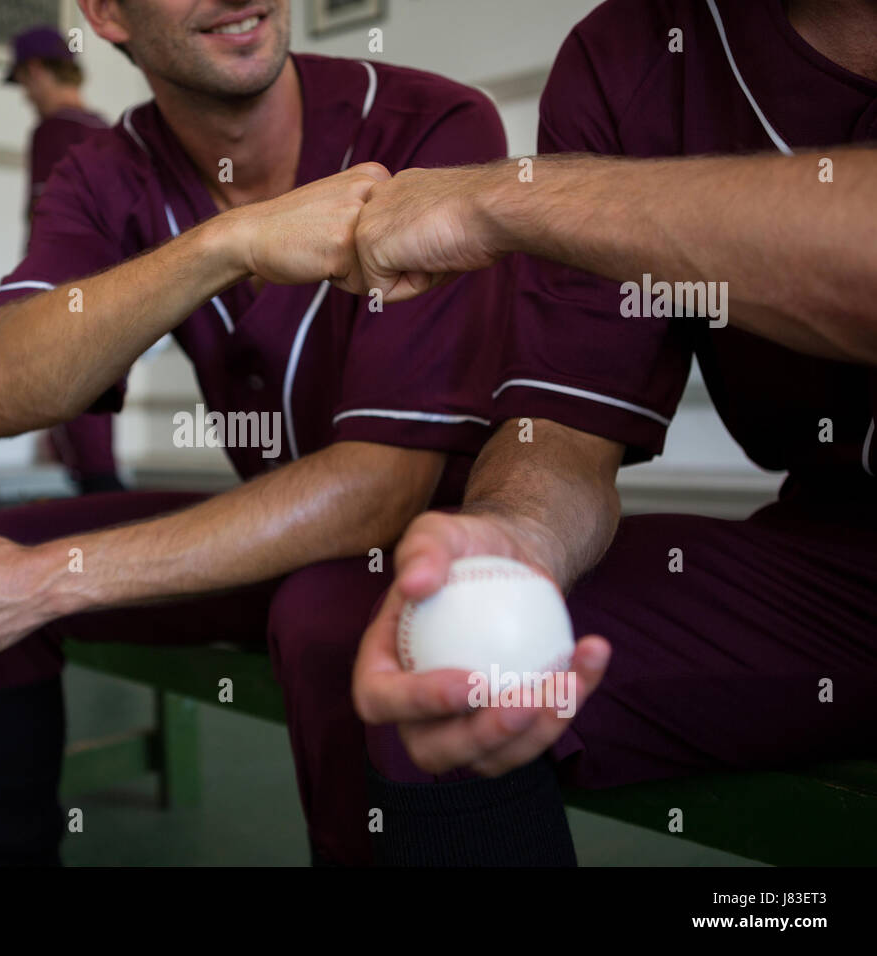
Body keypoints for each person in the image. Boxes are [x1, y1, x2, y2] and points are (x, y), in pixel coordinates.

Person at [0, 0, 508, 865]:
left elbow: (383, 492)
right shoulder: (108, 169)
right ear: (105, 14)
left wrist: (47, 581)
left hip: (436, 552)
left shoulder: (431, 122)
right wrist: (230, 243)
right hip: (278, 531)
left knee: (328, 617)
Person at [338, 0, 877, 865]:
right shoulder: (634, 46)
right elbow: (565, 421)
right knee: (446, 670)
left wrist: (503, 198)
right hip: (845, 559)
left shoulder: (510, 190)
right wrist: (515, 540)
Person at [6, 26, 123, 495]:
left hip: (68, 299)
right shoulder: (111, 131)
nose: (25, 96)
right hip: (119, 292)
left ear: (36, 71)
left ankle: (110, 536)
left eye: (22, 82)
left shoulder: (51, 131)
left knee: (85, 450)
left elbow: (44, 229)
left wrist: (24, 299)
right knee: (96, 426)